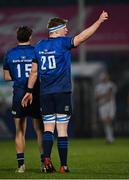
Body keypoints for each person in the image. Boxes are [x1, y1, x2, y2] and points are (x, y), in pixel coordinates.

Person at [22, 10, 109, 173]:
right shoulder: (63, 43)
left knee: (48, 128)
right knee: (62, 129)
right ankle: (64, 165)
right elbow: (83, 37)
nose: (67, 30)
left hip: (45, 93)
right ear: (57, 30)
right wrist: (99, 21)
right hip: (62, 92)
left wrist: (28, 90)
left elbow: (33, 72)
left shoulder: (39, 45)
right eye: (65, 28)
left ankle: (46, 160)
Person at [3, 26, 44, 173]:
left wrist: (19, 78)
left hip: (19, 93)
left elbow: (6, 77)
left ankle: (21, 165)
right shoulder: (36, 51)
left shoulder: (9, 53)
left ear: (17, 37)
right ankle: (43, 163)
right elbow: (40, 72)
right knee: (40, 130)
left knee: (19, 131)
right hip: (35, 93)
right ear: (30, 37)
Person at [95, 72, 117, 144]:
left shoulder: (111, 85)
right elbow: (97, 97)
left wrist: (102, 96)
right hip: (102, 105)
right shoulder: (98, 86)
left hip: (110, 105)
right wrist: (105, 95)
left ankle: (110, 138)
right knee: (105, 121)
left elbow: (110, 96)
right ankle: (109, 138)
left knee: (109, 120)